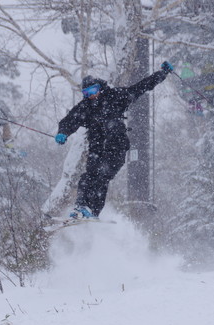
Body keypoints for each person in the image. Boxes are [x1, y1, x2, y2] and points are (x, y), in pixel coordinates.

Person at [54, 61, 174, 219]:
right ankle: (80, 206)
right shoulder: (85, 107)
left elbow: (141, 87)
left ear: (100, 87)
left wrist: (162, 74)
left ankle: (92, 211)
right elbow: (70, 120)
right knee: (87, 177)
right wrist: (63, 132)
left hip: (116, 148)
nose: (92, 95)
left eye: (94, 90)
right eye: (87, 93)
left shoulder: (115, 97)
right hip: (96, 149)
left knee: (101, 177)